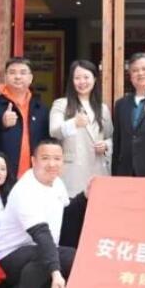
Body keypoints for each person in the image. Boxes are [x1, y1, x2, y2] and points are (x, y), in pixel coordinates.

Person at [0, 138, 76, 288]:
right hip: (8, 256)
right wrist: (56, 274)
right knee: (45, 256)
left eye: (57, 158)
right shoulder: (25, 190)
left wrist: (86, 196)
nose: (52, 164)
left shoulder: (57, 183)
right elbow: (41, 234)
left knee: (74, 258)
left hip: (37, 249)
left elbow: (68, 211)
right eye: (45, 158)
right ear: (33, 160)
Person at [49, 60, 113, 196]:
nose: (82, 81)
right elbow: (54, 131)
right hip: (72, 172)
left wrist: (106, 145)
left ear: (94, 79)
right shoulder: (61, 104)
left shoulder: (102, 108)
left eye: (86, 77)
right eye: (77, 78)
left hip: (98, 170)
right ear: (71, 81)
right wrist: (74, 123)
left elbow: (111, 136)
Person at [0, 57, 49, 180]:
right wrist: (1, 122)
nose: (17, 77)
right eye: (12, 73)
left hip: (33, 174)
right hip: (0, 174)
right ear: (5, 77)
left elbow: (46, 140)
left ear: (30, 78)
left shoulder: (40, 108)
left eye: (23, 73)